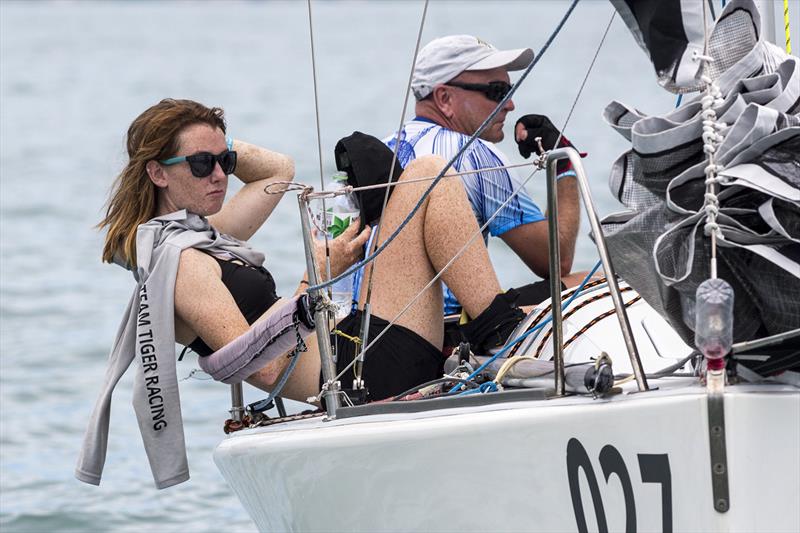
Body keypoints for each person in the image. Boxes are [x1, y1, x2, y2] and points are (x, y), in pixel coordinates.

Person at [77, 99, 523, 489]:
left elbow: (278, 171)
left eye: (224, 163)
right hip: (361, 378)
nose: (220, 176)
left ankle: (492, 323)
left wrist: (210, 136)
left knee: (422, 176)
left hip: (352, 348)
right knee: (427, 175)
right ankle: (498, 329)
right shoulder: (181, 264)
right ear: (157, 172)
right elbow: (266, 369)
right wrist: (318, 276)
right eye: (201, 166)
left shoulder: (201, 235)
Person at [384, 34, 586, 315]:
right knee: (595, 281)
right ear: (444, 98)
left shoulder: (385, 147)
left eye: (510, 90)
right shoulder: (474, 152)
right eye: (497, 91)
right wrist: (564, 162)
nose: (510, 104)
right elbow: (557, 259)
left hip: (374, 332)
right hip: (442, 334)